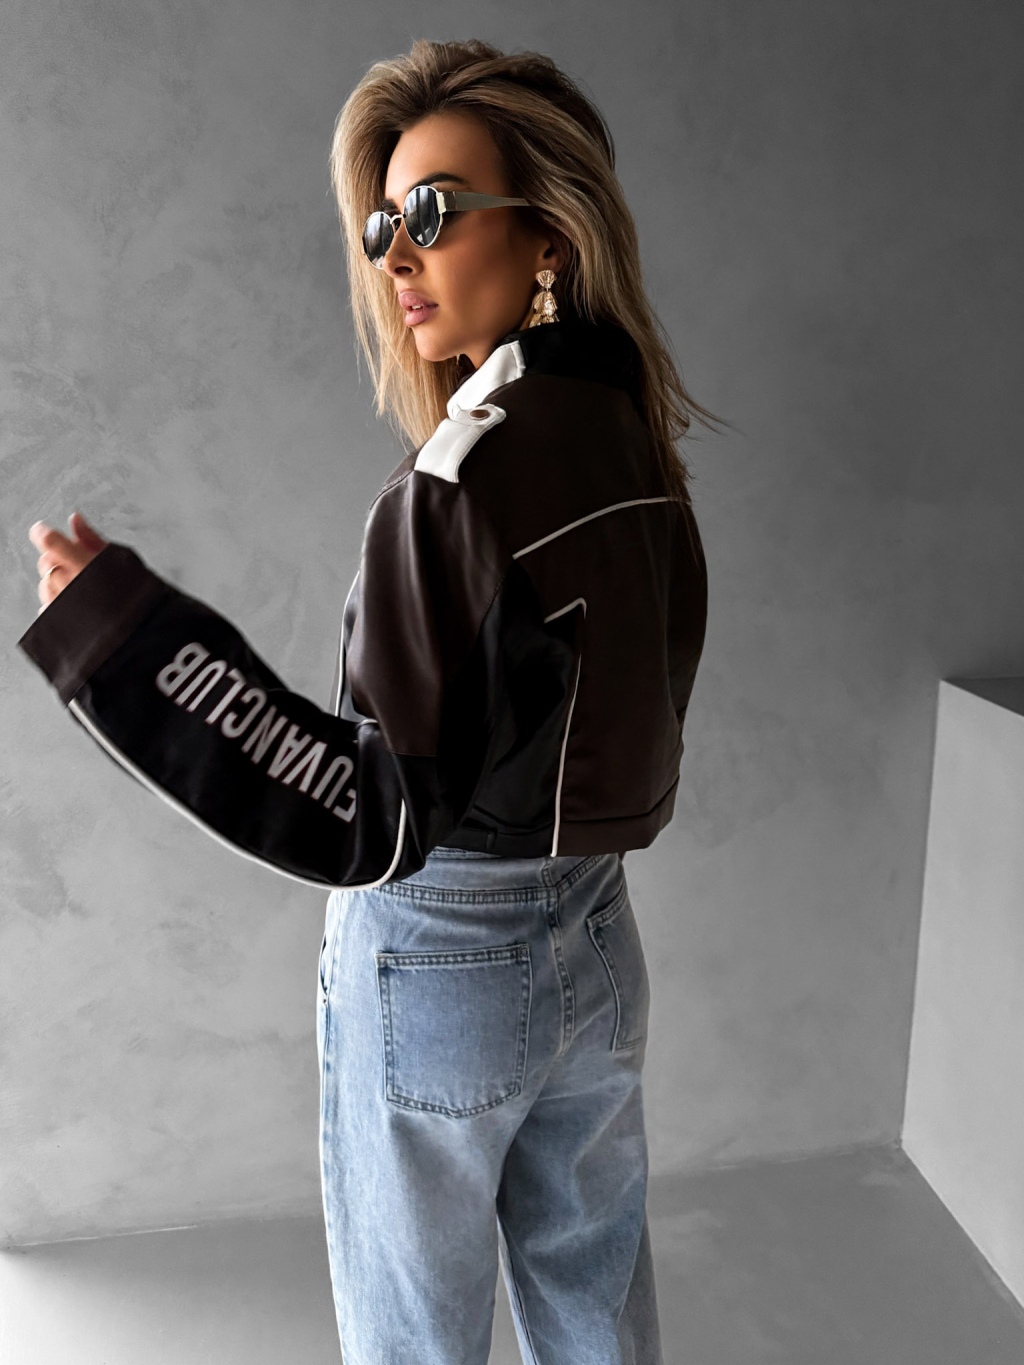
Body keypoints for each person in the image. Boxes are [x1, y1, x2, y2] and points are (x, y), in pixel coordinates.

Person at [20, 38, 721, 1365]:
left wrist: (123, 637)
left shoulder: (456, 486)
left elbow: (367, 812)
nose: (397, 256)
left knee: (415, 1344)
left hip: (439, 956)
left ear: (549, 235)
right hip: (598, 937)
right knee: (597, 1314)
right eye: (385, 223)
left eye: (434, 213)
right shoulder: (641, 444)